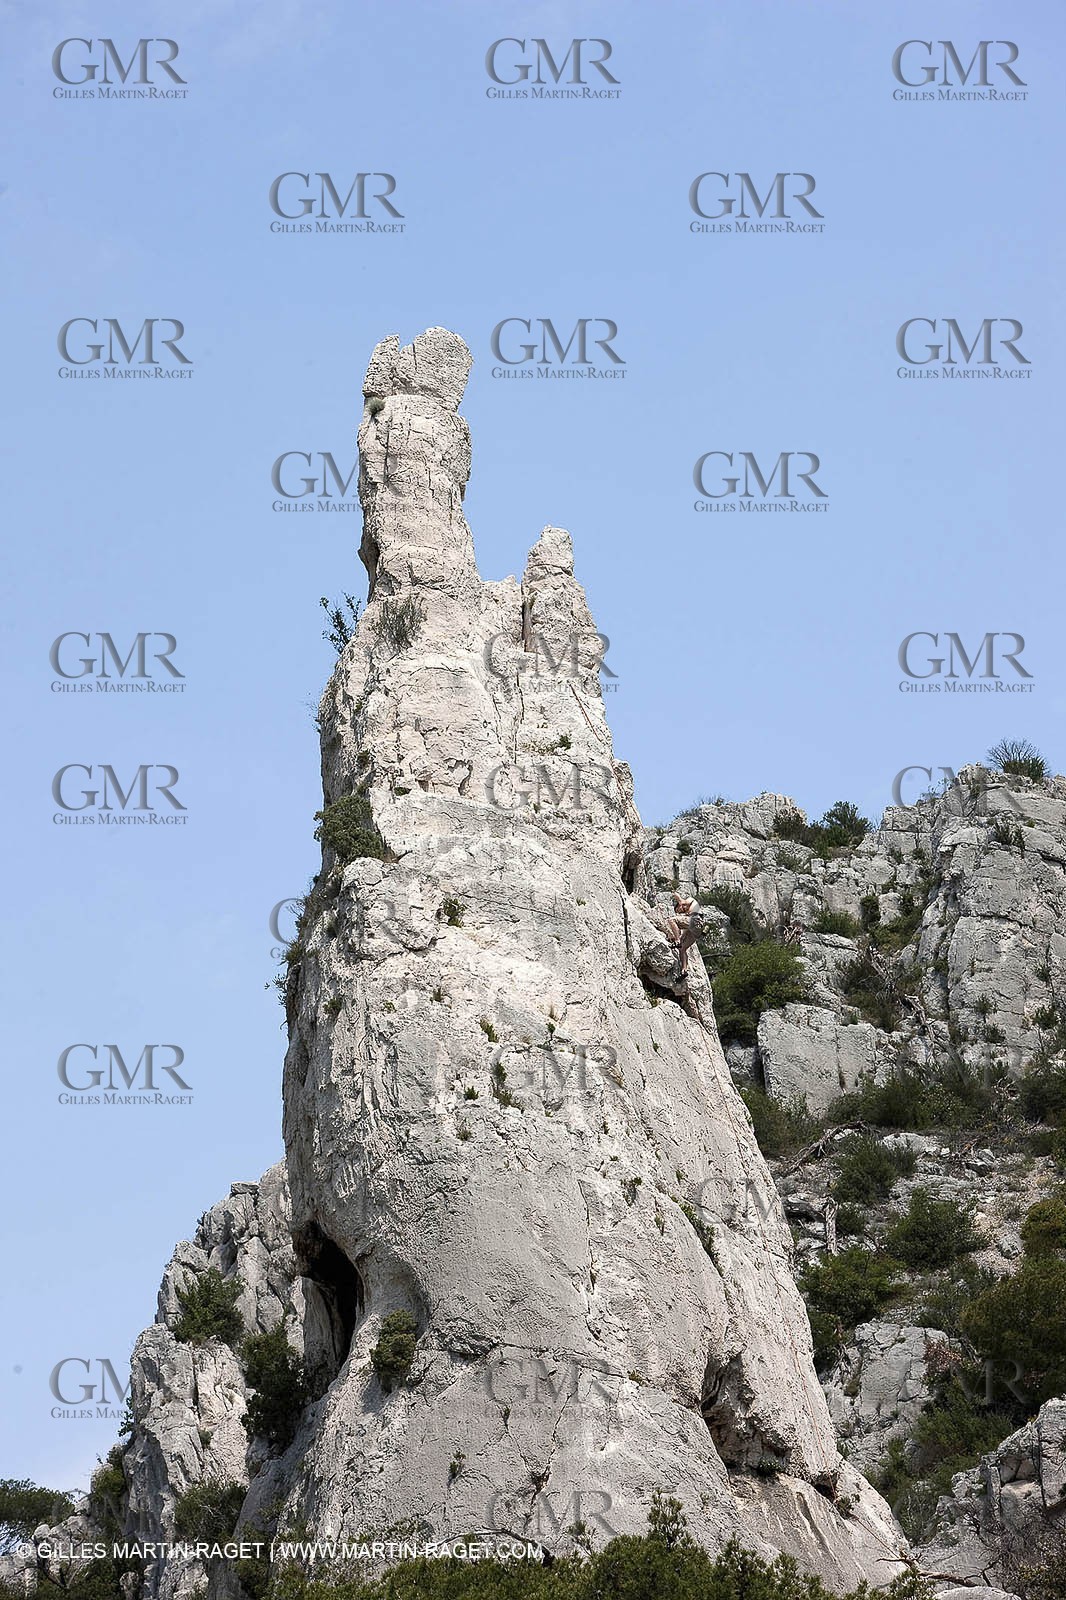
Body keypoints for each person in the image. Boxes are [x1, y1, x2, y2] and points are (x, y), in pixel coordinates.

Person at [664, 890, 700, 975]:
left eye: (678, 910)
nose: (680, 913)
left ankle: (677, 941)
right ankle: (684, 970)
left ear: (679, 906)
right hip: (697, 928)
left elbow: (682, 901)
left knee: (671, 920)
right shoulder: (689, 913)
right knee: (682, 949)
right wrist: (681, 937)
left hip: (695, 921)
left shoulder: (690, 900)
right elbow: (686, 931)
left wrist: (676, 895)